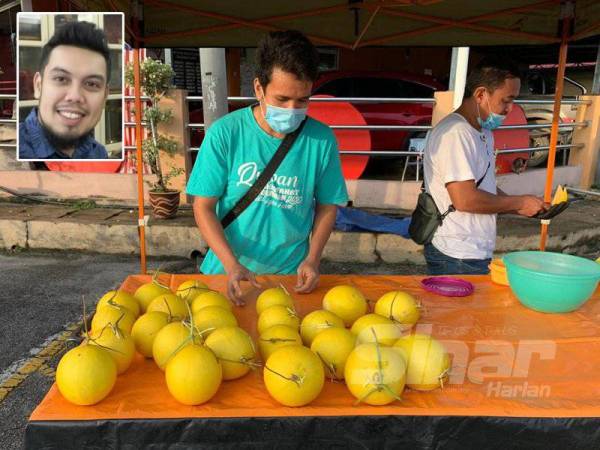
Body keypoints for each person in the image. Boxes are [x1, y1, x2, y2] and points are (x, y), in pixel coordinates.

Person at [186, 30, 348, 305]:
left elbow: (327, 205)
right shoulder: (226, 133)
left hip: (289, 280)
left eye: (303, 100)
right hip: (225, 275)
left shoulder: (320, 139)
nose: (293, 109)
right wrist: (231, 264)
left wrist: (312, 259)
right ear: (259, 88)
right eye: (282, 99)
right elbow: (203, 207)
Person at [422, 57, 547, 275]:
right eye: (506, 100)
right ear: (481, 95)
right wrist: (517, 202)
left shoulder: (482, 132)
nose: (510, 109)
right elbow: (465, 199)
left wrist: (521, 206)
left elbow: (485, 185)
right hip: (456, 254)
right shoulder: (456, 134)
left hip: (474, 248)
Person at [19, 21, 110, 160]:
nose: (74, 96)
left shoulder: (99, 154)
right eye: (61, 79)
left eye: (91, 84)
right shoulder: (10, 151)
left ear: (104, 97)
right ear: (38, 85)